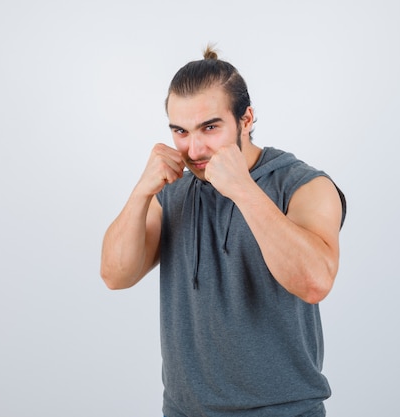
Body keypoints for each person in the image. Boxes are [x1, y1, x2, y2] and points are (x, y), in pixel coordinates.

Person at [100, 45, 346, 417]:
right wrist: (141, 191)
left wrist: (243, 189)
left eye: (210, 128)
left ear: (246, 119)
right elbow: (115, 275)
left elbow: (314, 282)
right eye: (180, 131)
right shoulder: (173, 190)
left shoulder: (302, 185)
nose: (194, 148)